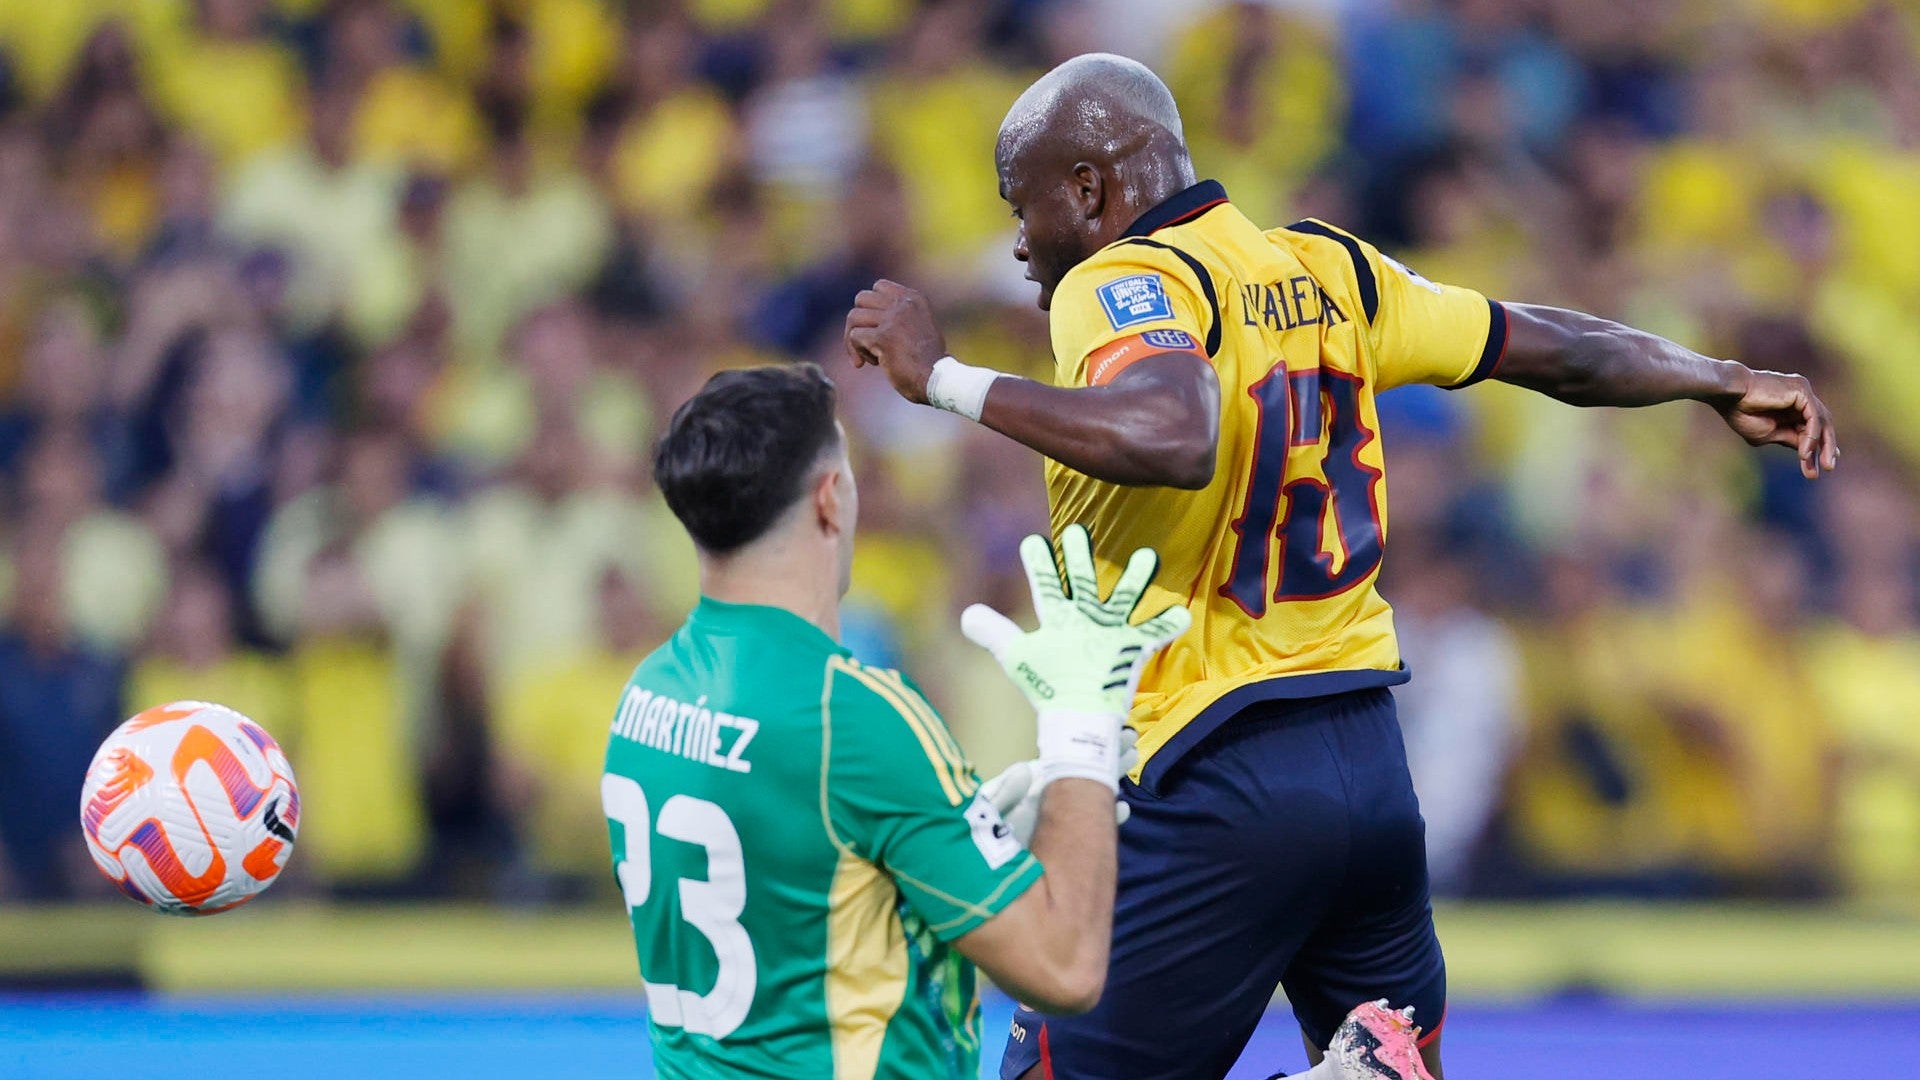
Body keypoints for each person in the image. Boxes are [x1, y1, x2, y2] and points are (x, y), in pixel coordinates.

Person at [843, 53, 1839, 1080]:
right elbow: (1548, 345)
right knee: (1398, 1066)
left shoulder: (1119, 281)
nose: (1018, 240)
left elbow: (1175, 431)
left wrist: (944, 379)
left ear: (1091, 191)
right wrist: (1717, 378)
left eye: (1025, 204)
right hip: (1366, 765)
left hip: (1209, 772)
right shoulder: (1328, 267)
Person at [607, 362, 1200, 1077]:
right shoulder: (855, 717)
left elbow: (804, 910)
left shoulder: (646, 693)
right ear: (830, 499)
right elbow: (1064, 969)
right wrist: (1083, 735)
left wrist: (961, 838)